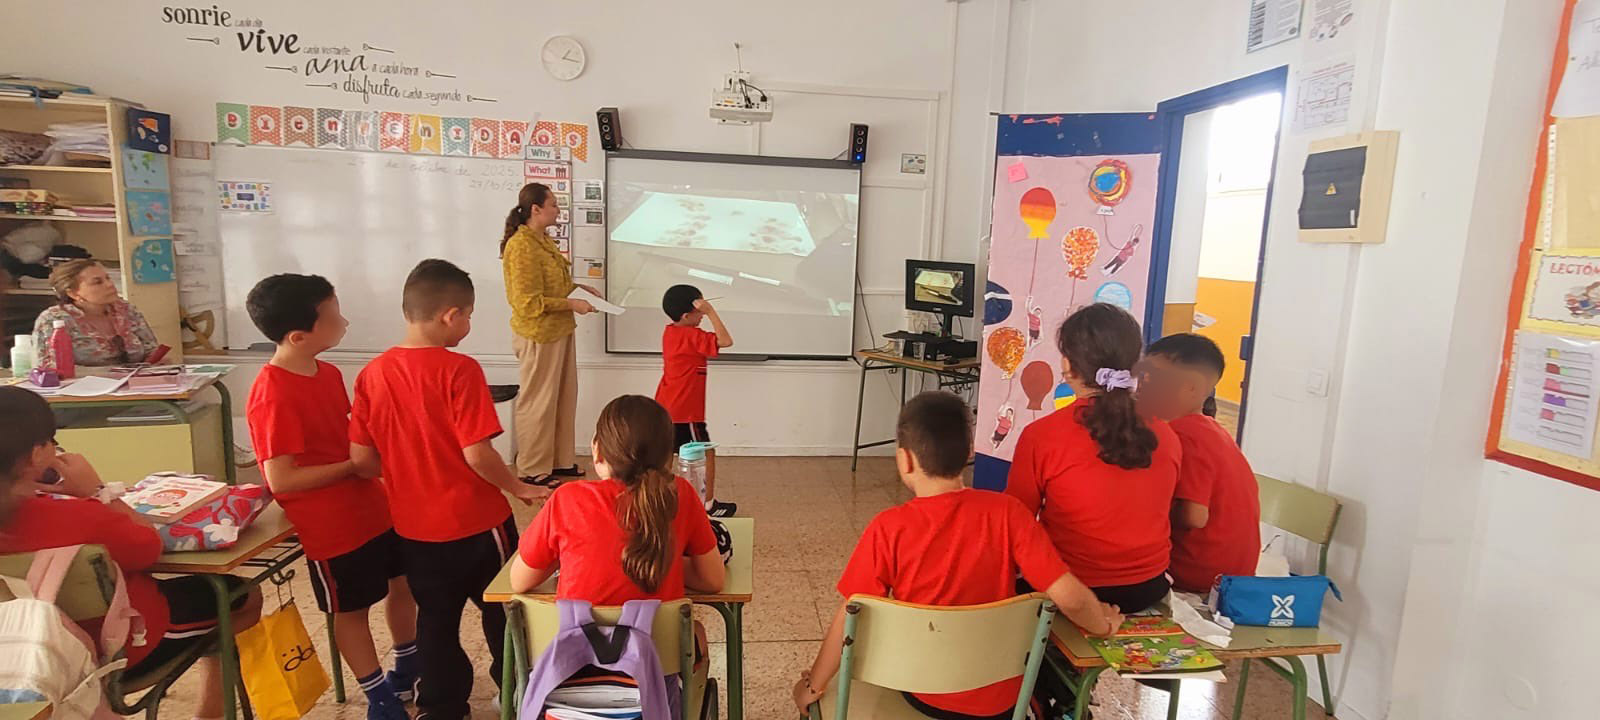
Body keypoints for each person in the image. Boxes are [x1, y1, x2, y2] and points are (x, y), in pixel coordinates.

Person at [794, 392, 1123, 718]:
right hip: (1002, 702)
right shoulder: (1009, 513)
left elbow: (849, 615)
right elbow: (1069, 596)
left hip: (922, 692)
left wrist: (812, 687)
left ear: (903, 460)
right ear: (969, 453)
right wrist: (1102, 625)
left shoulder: (888, 528)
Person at [349, 259, 541, 720]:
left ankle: (441, 707)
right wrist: (518, 487)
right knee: (503, 611)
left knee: (435, 620)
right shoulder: (460, 371)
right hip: (478, 523)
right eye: (470, 315)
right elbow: (478, 455)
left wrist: (406, 472)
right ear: (450, 315)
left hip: (415, 528)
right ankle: (516, 693)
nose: (470, 325)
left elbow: (361, 461)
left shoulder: (371, 374)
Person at [0, 387, 263, 720]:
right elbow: (148, 546)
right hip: (122, 648)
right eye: (53, 440)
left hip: (20, 658)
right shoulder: (79, 516)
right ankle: (210, 713)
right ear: (38, 455)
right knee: (240, 595)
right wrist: (98, 492)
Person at [244, 273, 419, 716]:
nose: (344, 321)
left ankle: (407, 667)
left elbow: (346, 438)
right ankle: (378, 695)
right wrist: (353, 466)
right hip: (331, 526)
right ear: (299, 336)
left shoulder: (329, 372)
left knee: (404, 584)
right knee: (352, 609)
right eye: (334, 315)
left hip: (372, 506)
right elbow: (281, 480)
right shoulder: (273, 393)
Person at [1005, 303, 1181, 613]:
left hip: (1072, 589)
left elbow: (1016, 522)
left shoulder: (1042, 436)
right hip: (1148, 587)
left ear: (1069, 366)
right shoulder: (1166, 434)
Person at [510, 394, 725, 602]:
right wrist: (664, 562)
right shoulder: (681, 494)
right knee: (695, 631)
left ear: (597, 451)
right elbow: (713, 580)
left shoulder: (567, 499)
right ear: (668, 457)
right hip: (657, 638)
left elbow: (519, 581)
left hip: (581, 638)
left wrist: (567, 559)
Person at [1139, 333, 1261, 592]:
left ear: (1191, 387)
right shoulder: (1212, 430)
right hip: (1237, 573)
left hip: (1201, 577)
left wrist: (1143, 510)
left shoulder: (1185, 435)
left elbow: (1194, 516)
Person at [501, 182, 602, 487]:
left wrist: (580, 289)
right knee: (539, 401)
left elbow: (553, 282)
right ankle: (532, 468)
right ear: (536, 209)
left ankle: (559, 461)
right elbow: (527, 302)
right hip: (539, 335)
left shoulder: (543, 240)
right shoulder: (521, 246)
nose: (558, 210)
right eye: (554, 205)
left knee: (563, 398)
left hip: (560, 330)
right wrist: (572, 303)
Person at [655, 284, 736, 518]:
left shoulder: (672, 332)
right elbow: (726, 340)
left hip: (668, 406)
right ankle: (707, 505)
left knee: (665, 457)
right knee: (705, 454)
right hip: (685, 412)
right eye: (698, 311)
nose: (701, 315)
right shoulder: (691, 336)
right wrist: (711, 312)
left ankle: (656, 501)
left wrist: (704, 309)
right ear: (686, 315)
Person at [32, 259, 160, 368]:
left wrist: (158, 363)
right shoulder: (53, 319)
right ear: (73, 293)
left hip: (136, 386)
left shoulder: (126, 310)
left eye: (108, 278)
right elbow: (48, 367)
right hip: (80, 391)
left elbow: (152, 351)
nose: (110, 285)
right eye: (98, 282)